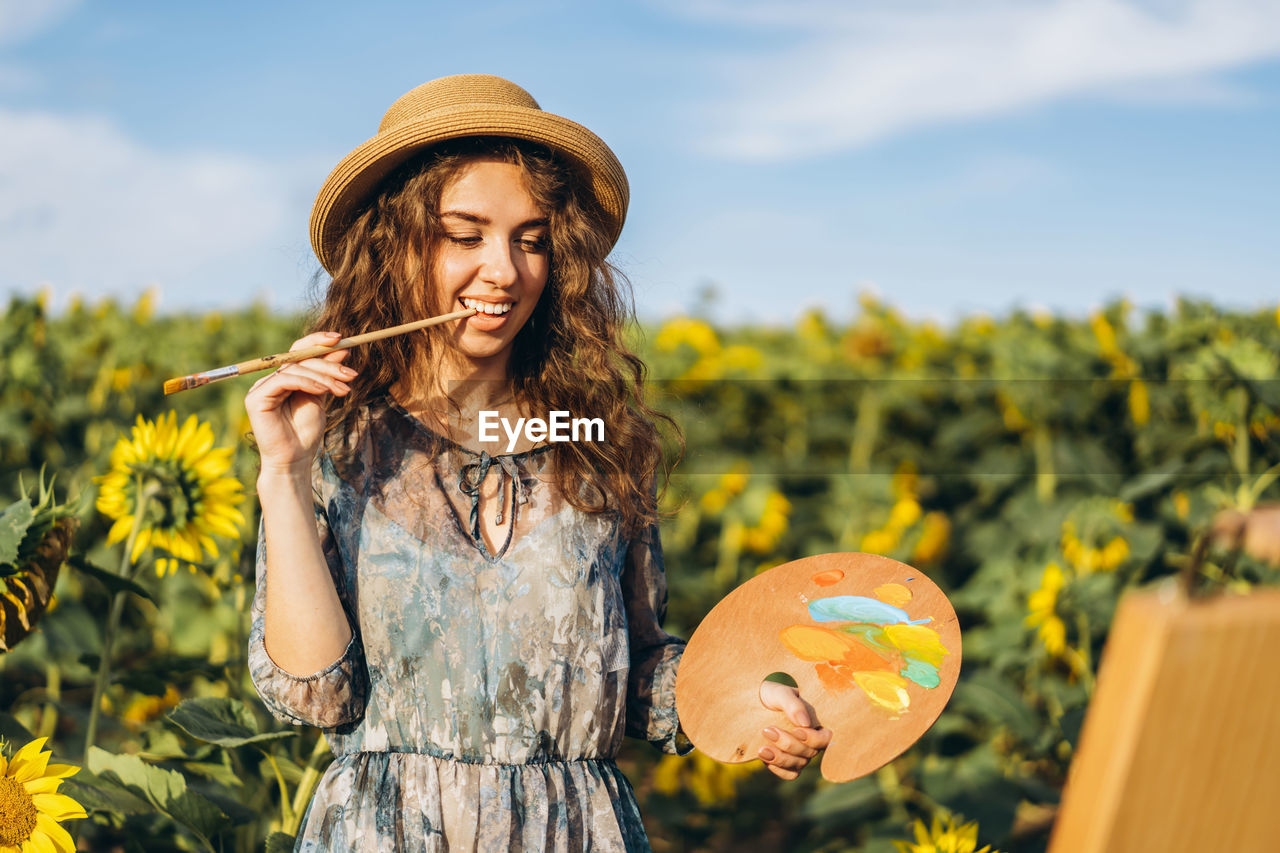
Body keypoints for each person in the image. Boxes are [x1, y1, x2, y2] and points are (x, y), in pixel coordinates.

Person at [244, 74, 831, 851]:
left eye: (530, 239)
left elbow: (642, 668)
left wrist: (744, 698)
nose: (504, 271)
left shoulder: (596, 441)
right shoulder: (338, 441)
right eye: (466, 234)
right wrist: (284, 473)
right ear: (395, 246)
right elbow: (317, 693)